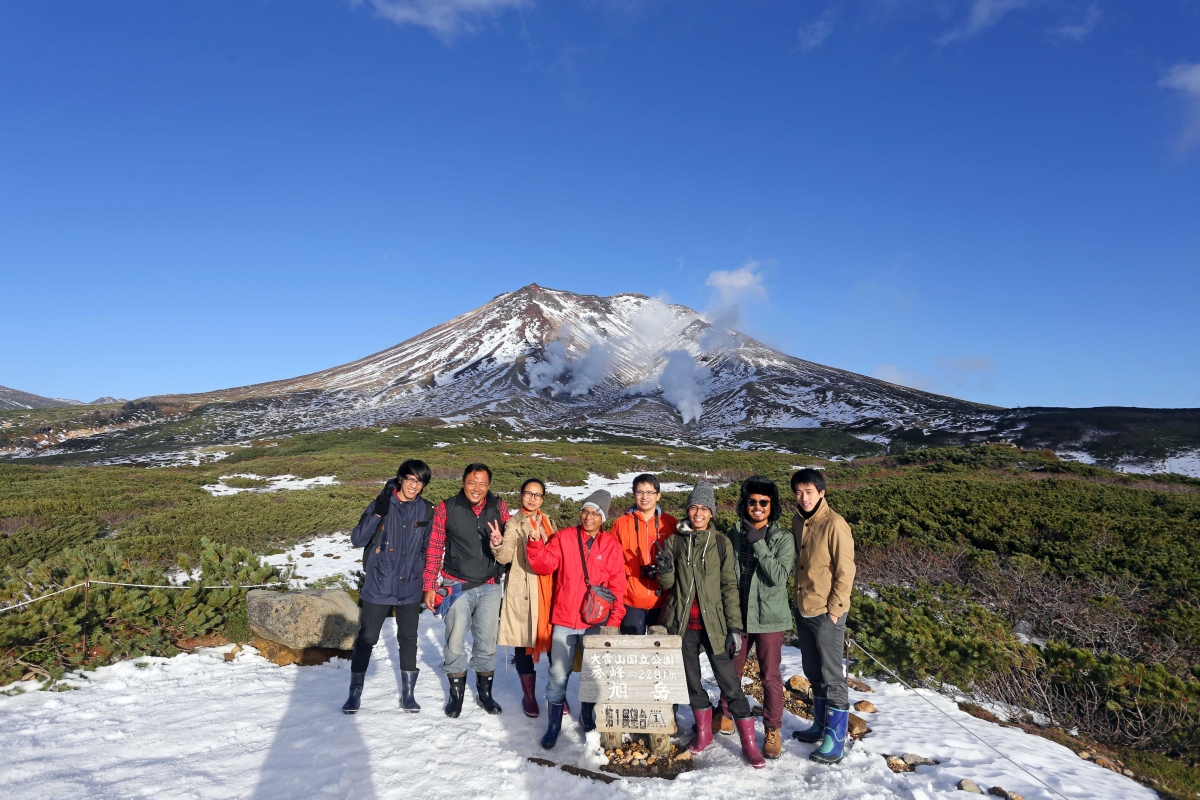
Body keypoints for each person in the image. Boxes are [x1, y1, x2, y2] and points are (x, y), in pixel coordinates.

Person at [656, 480, 765, 769]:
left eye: (704, 508)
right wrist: (664, 570)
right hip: (682, 623)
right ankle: (704, 733)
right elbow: (667, 584)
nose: (698, 512)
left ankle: (749, 744)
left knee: (730, 684)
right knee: (692, 681)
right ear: (688, 510)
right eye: (694, 507)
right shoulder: (675, 540)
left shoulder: (720, 543)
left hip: (714, 623)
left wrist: (734, 627)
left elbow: (730, 586)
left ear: (712, 512)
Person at [526, 490, 626, 750]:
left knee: (592, 676)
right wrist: (536, 544)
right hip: (565, 619)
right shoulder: (565, 537)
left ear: (602, 517)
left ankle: (586, 716)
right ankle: (554, 725)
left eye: (594, 512)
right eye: (585, 510)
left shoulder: (611, 545)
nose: (588, 516)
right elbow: (544, 566)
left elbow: (617, 585)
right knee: (558, 673)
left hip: (596, 622)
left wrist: (614, 620)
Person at [342, 459, 434, 714]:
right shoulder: (381, 504)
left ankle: (408, 693)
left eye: (421, 481)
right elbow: (358, 539)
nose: (416, 485)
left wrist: (428, 583)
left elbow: (428, 550)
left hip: (410, 586)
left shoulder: (427, 510)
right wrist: (378, 513)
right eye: (412, 479)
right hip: (379, 583)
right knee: (367, 638)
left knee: (408, 639)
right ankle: (355, 692)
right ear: (401, 478)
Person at [422, 463, 509, 718]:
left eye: (482, 483)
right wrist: (429, 585)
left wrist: (500, 542)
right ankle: (456, 696)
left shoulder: (499, 506)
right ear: (463, 482)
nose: (477, 488)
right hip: (456, 585)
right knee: (455, 641)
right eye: (472, 482)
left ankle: (485, 695)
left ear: (489, 486)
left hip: (491, 585)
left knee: (486, 642)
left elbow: (509, 542)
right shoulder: (446, 508)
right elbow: (435, 548)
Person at [717, 475, 795, 759]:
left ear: (772, 505)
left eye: (764, 502)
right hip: (739, 614)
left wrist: (760, 544)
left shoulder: (784, 538)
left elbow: (777, 577)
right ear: (744, 503)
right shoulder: (734, 531)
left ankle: (772, 729)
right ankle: (724, 713)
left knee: (770, 676)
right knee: (731, 668)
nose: (758, 506)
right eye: (752, 501)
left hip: (770, 618)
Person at [789, 467, 856, 765]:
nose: (804, 498)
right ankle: (820, 725)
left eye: (809, 492)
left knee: (832, 675)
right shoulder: (797, 521)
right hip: (803, 608)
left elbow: (846, 570)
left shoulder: (835, 524)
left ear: (822, 492)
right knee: (813, 670)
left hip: (826, 611)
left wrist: (835, 610)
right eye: (799, 492)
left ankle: (836, 739)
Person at [491, 478, 557, 718]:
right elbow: (506, 557)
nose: (532, 498)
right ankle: (529, 695)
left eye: (537, 495)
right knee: (523, 641)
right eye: (528, 493)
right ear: (521, 496)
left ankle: (555, 694)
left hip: (548, 589)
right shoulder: (512, 523)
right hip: (524, 591)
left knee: (554, 644)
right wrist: (498, 545)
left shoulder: (548, 521)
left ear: (542, 499)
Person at [610, 473, 677, 635]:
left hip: (663, 600)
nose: (644, 497)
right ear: (634, 494)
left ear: (658, 495)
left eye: (649, 492)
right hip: (630, 600)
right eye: (639, 492)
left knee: (659, 652)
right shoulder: (621, 524)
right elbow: (611, 561)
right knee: (633, 653)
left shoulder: (670, 523)